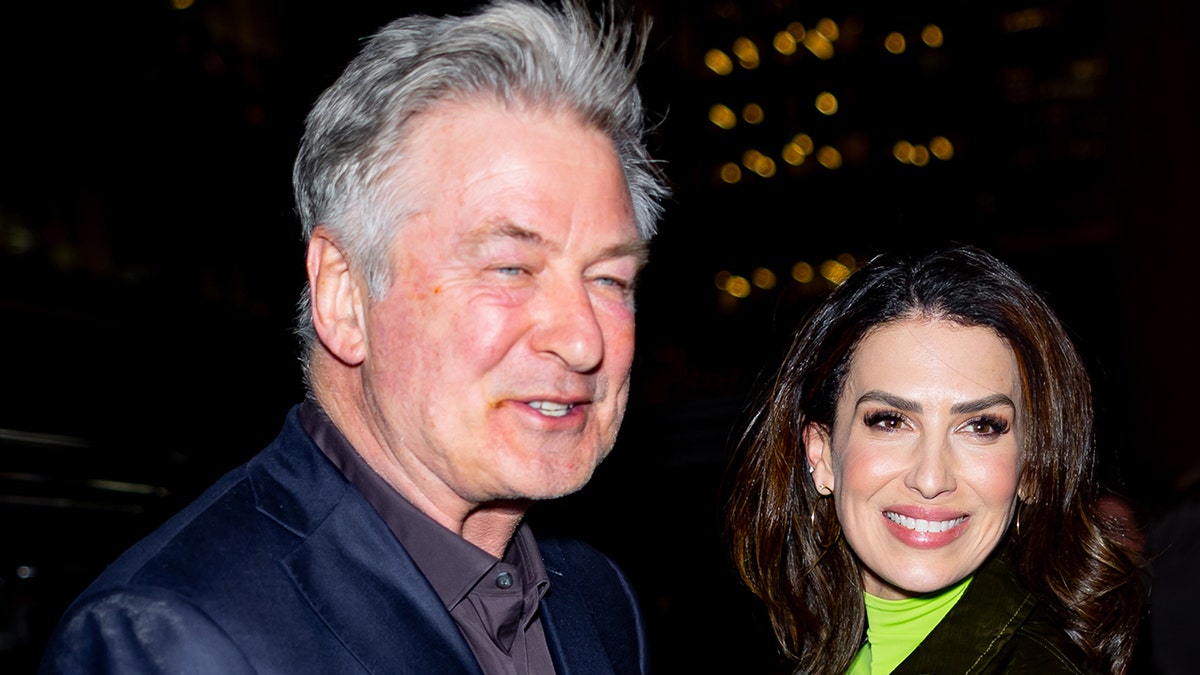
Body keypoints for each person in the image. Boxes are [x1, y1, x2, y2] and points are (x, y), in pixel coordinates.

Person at [40, 1, 667, 672]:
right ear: (342, 295)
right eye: (511, 268)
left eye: (609, 279)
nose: (582, 341)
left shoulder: (600, 599)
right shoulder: (174, 639)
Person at [726, 246, 1145, 674]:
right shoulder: (811, 650)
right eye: (890, 422)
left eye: (981, 427)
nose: (931, 478)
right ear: (821, 453)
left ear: (1033, 464)